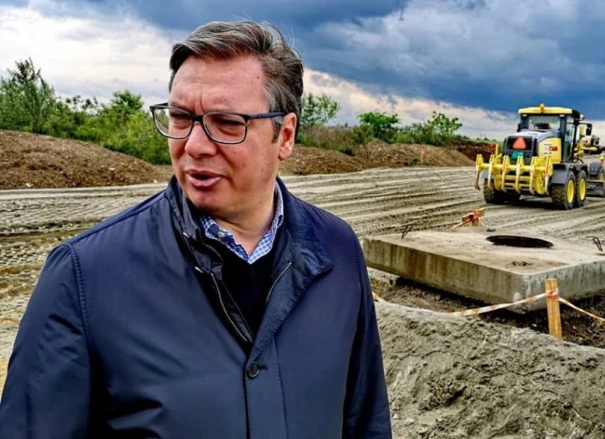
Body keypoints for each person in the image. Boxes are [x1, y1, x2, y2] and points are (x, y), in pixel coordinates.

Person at [0, 21, 392, 438]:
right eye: (181, 117)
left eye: (227, 123)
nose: (194, 145)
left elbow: (365, 421)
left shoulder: (337, 253)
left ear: (285, 136)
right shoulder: (84, 275)